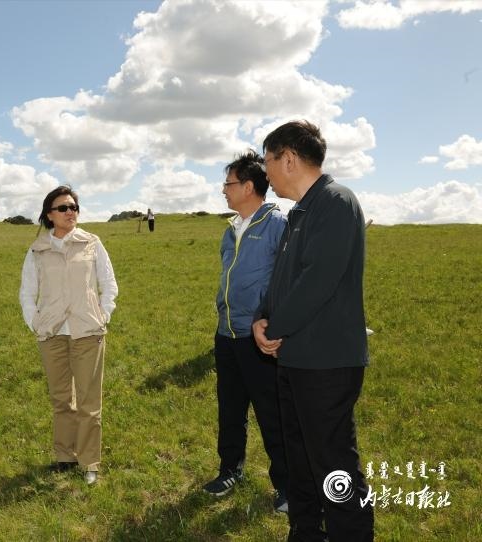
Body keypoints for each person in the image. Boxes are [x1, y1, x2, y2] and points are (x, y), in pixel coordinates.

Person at [253, 121, 374, 541]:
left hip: (326, 363)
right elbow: (283, 279)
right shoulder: (299, 213)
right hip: (295, 358)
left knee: (333, 466)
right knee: (300, 461)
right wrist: (262, 318)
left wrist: (275, 326)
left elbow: (317, 281)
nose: (265, 173)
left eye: (267, 161)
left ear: (288, 158)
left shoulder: (336, 202)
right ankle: (305, 533)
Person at [204, 150, 289, 513]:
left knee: (272, 412)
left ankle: (287, 485)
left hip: (259, 338)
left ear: (249, 186)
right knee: (230, 408)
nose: (224, 190)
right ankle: (230, 470)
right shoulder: (230, 229)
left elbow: (286, 280)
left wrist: (270, 321)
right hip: (226, 334)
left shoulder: (277, 225)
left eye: (229, 183)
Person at [19, 186, 118, 485]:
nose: (70, 212)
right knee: (61, 399)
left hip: (87, 330)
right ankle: (65, 457)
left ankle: (89, 462)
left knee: (89, 402)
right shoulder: (37, 249)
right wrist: (35, 322)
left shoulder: (92, 243)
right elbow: (27, 292)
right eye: (63, 208)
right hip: (52, 333)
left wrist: (103, 314)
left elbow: (108, 283)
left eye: (74, 207)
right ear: (50, 215)